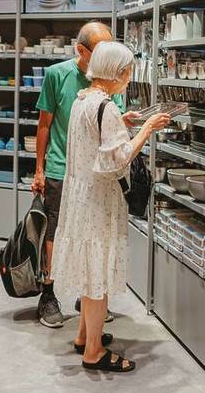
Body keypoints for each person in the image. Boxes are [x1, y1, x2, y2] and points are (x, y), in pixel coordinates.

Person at [50, 41, 170, 372]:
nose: (129, 79)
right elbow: (116, 160)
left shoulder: (82, 100)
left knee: (90, 270)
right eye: (128, 72)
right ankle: (93, 352)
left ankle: (84, 336)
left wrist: (125, 123)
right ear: (118, 72)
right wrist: (147, 128)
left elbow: (95, 139)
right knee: (98, 275)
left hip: (80, 194)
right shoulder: (107, 107)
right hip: (98, 200)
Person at [31, 21, 136, 327]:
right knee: (55, 233)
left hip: (96, 174)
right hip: (62, 168)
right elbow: (44, 124)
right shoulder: (56, 75)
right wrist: (39, 169)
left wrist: (124, 120)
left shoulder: (109, 79)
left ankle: (87, 295)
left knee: (91, 237)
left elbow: (107, 120)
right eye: (100, 50)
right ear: (81, 50)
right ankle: (48, 295)